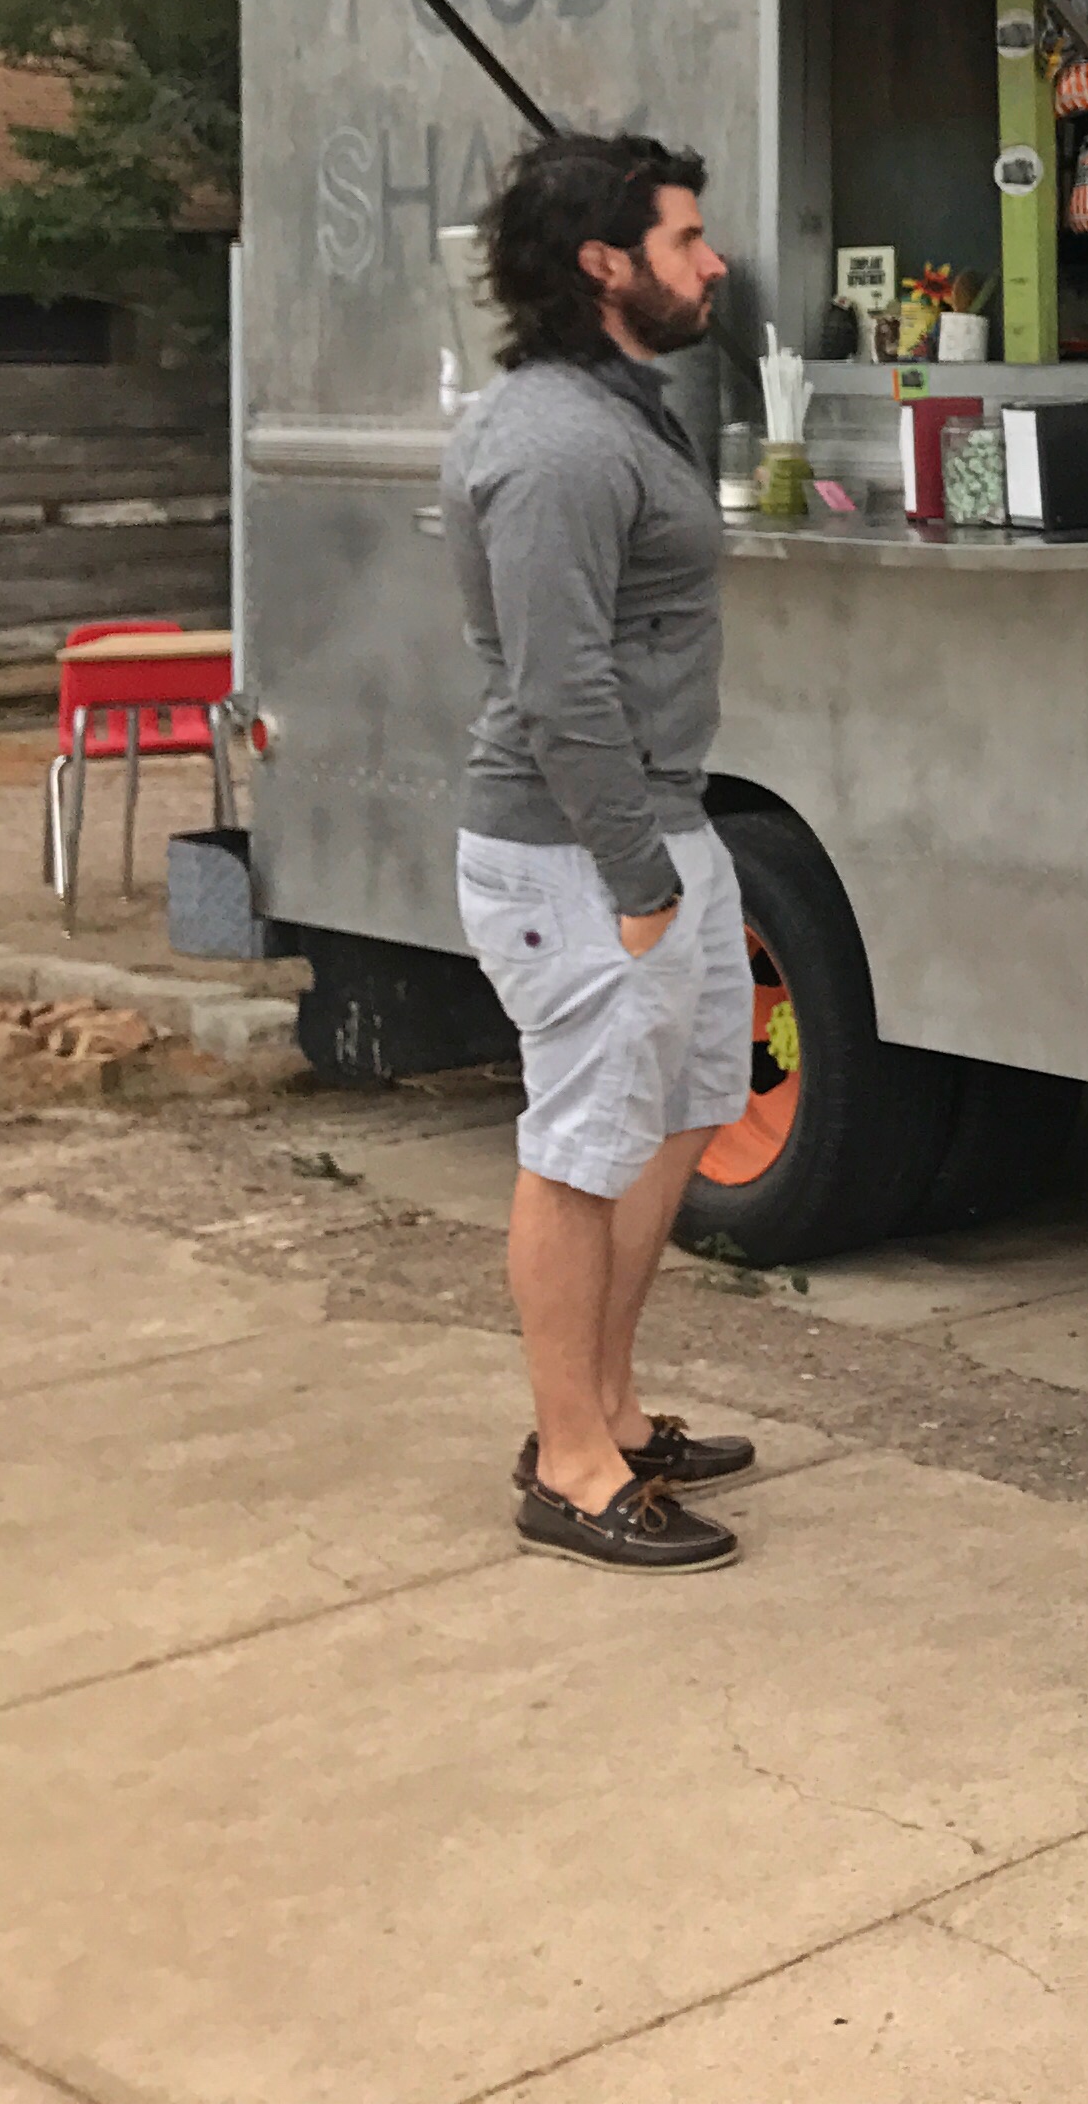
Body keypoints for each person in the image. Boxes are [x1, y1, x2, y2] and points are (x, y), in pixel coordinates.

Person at [446, 132, 758, 1572]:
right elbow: (559, 686)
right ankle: (568, 1464)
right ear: (605, 265)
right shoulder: (559, 443)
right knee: (578, 1149)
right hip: (580, 851)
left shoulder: (616, 407)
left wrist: (665, 859)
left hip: (655, 829)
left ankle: (614, 1413)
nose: (716, 263)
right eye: (689, 240)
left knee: (676, 1113)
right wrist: (639, 879)